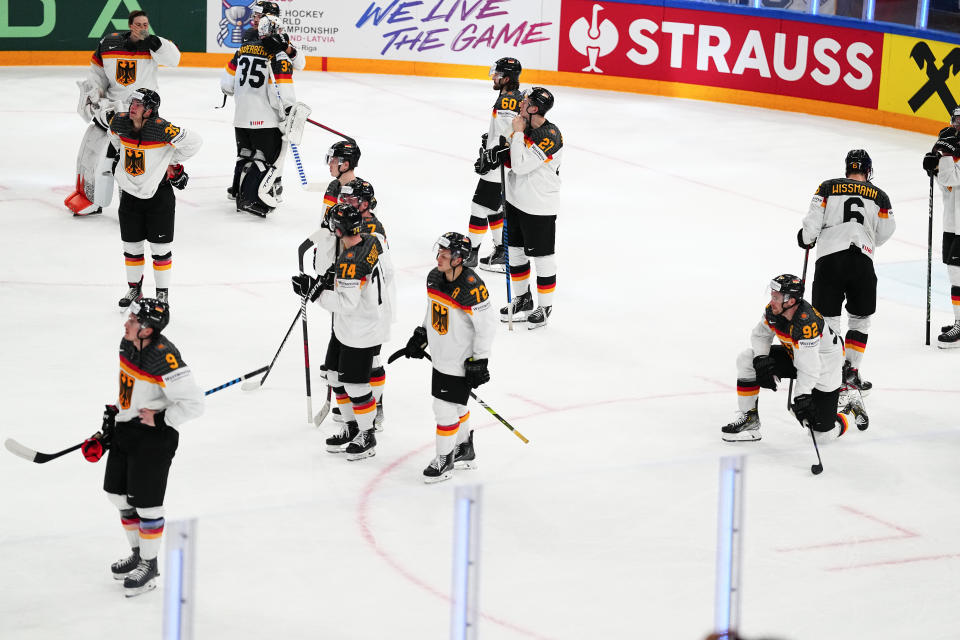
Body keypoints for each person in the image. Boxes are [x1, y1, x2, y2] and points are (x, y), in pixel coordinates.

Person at [80, 298, 203, 597]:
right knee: (117, 495)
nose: (126, 323)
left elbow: (195, 404)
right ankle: (138, 554)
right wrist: (113, 420)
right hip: (127, 430)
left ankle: (149, 565)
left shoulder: (166, 358)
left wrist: (162, 418)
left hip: (154, 439)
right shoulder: (126, 345)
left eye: (133, 321)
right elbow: (131, 388)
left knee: (147, 505)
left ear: (147, 330)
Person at [291, 204, 391, 460]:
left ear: (338, 230)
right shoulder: (368, 241)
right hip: (347, 328)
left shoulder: (350, 261)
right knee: (334, 376)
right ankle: (351, 426)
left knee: (355, 386)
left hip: (359, 330)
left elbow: (345, 304)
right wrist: (331, 278)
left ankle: (367, 434)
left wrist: (313, 292)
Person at [721, 275, 867, 442]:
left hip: (826, 368)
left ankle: (848, 410)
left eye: (776, 297)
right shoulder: (774, 310)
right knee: (747, 358)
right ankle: (750, 419)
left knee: (821, 436)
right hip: (796, 356)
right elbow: (760, 335)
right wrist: (761, 358)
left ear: (790, 301)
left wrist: (801, 397)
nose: (772, 301)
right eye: (772, 295)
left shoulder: (806, 324)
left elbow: (810, 368)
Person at [797, 149, 895, 393]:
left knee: (828, 320)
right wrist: (867, 239)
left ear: (847, 168)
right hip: (862, 260)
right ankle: (852, 371)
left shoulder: (828, 187)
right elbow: (886, 230)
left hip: (830, 259)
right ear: (868, 170)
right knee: (860, 319)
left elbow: (812, 223)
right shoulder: (880, 196)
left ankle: (832, 375)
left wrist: (806, 238)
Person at [67, 10, 181, 216]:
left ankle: (134, 202)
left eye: (146, 24)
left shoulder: (155, 46)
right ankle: (91, 197)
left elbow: (174, 59)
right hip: (113, 110)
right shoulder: (109, 43)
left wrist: (155, 43)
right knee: (97, 151)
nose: (143, 28)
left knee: (133, 157)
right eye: (138, 24)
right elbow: (97, 73)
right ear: (130, 25)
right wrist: (95, 94)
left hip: (142, 112)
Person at [401, 232, 496, 482]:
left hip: (460, 360)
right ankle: (464, 448)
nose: (438, 258)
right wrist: (421, 334)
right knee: (457, 405)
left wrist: (480, 360)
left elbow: (486, 326)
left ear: (458, 259)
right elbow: (433, 309)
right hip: (441, 355)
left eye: (444, 255)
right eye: (438, 253)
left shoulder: (471, 287)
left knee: (443, 410)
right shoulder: (434, 277)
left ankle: (445, 461)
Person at [108, 89, 202, 309]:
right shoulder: (120, 123)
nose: (132, 106)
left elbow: (195, 142)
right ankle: (134, 288)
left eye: (139, 104)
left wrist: (169, 158)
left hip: (158, 197)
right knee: (131, 248)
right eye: (132, 102)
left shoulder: (161, 128)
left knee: (160, 250)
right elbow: (114, 138)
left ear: (150, 110)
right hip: (129, 196)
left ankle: (162, 294)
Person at [488, 87, 563, 329]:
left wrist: (517, 134)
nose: (521, 103)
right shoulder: (522, 126)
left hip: (539, 205)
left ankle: (545, 306)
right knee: (516, 252)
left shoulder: (550, 135)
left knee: (542, 258)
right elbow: (513, 158)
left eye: (526, 101)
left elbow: (521, 166)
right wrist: (497, 153)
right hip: (515, 200)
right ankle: (523, 298)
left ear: (533, 109)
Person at [221, 11, 297, 217]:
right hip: (265, 118)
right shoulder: (278, 56)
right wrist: (289, 112)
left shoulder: (242, 51)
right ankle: (249, 199)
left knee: (244, 154)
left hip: (241, 116)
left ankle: (237, 192)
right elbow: (279, 94)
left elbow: (226, 85)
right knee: (265, 158)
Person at [466, 57, 523, 272]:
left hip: (498, 165)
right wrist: (490, 139)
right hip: (504, 162)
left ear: (507, 78)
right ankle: (502, 251)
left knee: (479, 206)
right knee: (494, 208)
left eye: (498, 75)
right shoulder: (512, 96)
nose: (494, 77)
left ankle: (470, 254)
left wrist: (492, 154)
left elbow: (508, 135)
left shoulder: (507, 101)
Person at [923, 119, 960, 348]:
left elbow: (952, 178)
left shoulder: (953, 152)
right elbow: (946, 186)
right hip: (952, 223)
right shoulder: (953, 151)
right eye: (956, 121)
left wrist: (944, 157)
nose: (957, 126)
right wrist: (934, 168)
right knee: (953, 273)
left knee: (957, 274)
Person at [243, 1, 307, 71]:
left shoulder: (281, 37)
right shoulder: (250, 34)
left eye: (260, 16)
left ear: (272, 19)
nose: (255, 20)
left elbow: (300, 65)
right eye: (255, 16)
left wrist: (286, 48)